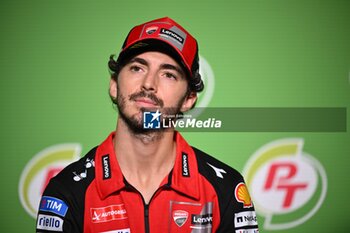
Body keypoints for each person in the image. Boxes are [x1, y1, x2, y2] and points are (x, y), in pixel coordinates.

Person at [36, 17, 259, 233]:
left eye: (169, 74)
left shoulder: (225, 189)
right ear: (114, 85)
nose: (149, 84)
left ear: (189, 99)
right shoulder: (67, 191)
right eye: (137, 68)